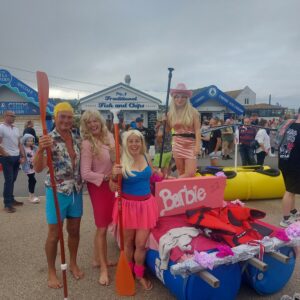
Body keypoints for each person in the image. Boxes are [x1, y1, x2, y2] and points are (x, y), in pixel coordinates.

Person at [33, 102, 84, 289]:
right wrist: (40, 149)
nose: (66, 120)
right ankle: (51, 271)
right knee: (54, 235)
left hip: (76, 192)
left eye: (69, 117)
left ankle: (73, 263)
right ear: (55, 118)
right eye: (62, 116)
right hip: (57, 192)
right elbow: (38, 168)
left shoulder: (77, 136)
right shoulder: (48, 139)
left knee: (74, 231)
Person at [110, 130, 158, 291]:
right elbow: (112, 187)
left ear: (141, 143)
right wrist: (113, 175)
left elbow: (153, 176)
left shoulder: (146, 157)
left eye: (137, 141)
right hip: (128, 207)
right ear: (126, 143)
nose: (134, 144)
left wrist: (163, 176)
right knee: (128, 243)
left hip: (146, 206)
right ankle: (128, 272)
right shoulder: (120, 161)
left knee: (141, 244)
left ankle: (139, 274)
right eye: (130, 141)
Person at [80, 110, 115, 286]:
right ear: (85, 126)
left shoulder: (109, 136)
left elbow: (116, 157)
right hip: (99, 188)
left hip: (112, 186)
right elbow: (85, 173)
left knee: (105, 225)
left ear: (100, 121)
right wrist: (105, 178)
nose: (93, 124)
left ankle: (97, 259)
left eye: (95, 121)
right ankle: (103, 268)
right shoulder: (87, 143)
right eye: (89, 122)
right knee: (102, 227)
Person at [167, 83, 200, 177]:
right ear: (173, 98)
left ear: (187, 98)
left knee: (190, 173)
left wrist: (198, 145)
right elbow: (168, 130)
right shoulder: (170, 113)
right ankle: (184, 190)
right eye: (176, 97)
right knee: (181, 172)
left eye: (183, 97)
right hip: (177, 145)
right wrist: (164, 121)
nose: (179, 99)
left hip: (190, 145)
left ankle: (174, 183)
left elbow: (197, 130)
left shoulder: (193, 112)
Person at [278, 108, 300, 227]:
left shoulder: (288, 125)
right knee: (290, 191)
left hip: (284, 160)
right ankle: (285, 219)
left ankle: (293, 212)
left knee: (291, 189)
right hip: (294, 163)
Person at [0, 111, 25, 213]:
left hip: (16, 157)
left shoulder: (16, 128)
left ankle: (11, 199)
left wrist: (22, 155)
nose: (14, 117)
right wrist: (5, 153)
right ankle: (7, 204)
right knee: (9, 180)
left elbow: (19, 143)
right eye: (12, 116)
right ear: (5, 116)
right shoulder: (1, 127)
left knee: (12, 180)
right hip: (7, 158)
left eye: (14, 116)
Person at [21, 133, 40, 203]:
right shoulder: (22, 147)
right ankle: (31, 197)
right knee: (33, 180)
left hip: (33, 166)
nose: (30, 142)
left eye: (32, 141)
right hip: (27, 166)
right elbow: (20, 155)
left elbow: (40, 151)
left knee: (31, 180)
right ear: (25, 141)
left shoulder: (34, 147)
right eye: (28, 141)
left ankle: (31, 196)